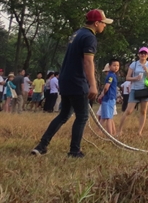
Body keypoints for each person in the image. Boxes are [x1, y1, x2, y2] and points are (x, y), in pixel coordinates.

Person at [31, 9, 111, 157]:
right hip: (77, 81)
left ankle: (41, 146)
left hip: (66, 79)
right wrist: (93, 85)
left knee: (64, 114)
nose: (104, 26)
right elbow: (88, 62)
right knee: (82, 116)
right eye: (103, 23)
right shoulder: (89, 37)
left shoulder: (76, 34)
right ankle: (75, 151)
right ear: (96, 22)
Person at [118, 47, 148, 137]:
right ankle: (119, 130)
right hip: (135, 89)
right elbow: (127, 77)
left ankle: (139, 132)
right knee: (128, 111)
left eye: (145, 53)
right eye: (141, 53)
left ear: (147, 55)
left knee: (143, 111)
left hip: (145, 89)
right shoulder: (134, 64)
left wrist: (146, 71)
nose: (143, 55)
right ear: (138, 54)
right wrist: (135, 78)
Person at [99, 59, 120, 135]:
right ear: (110, 66)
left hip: (110, 98)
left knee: (104, 117)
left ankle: (98, 132)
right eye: (114, 65)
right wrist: (103, 94)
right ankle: (110, 135)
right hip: (109, 99)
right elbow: (106, 87)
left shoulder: (113, 75)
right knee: (109, 118)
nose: (116, 67)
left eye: (117, 65)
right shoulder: (111, 76)